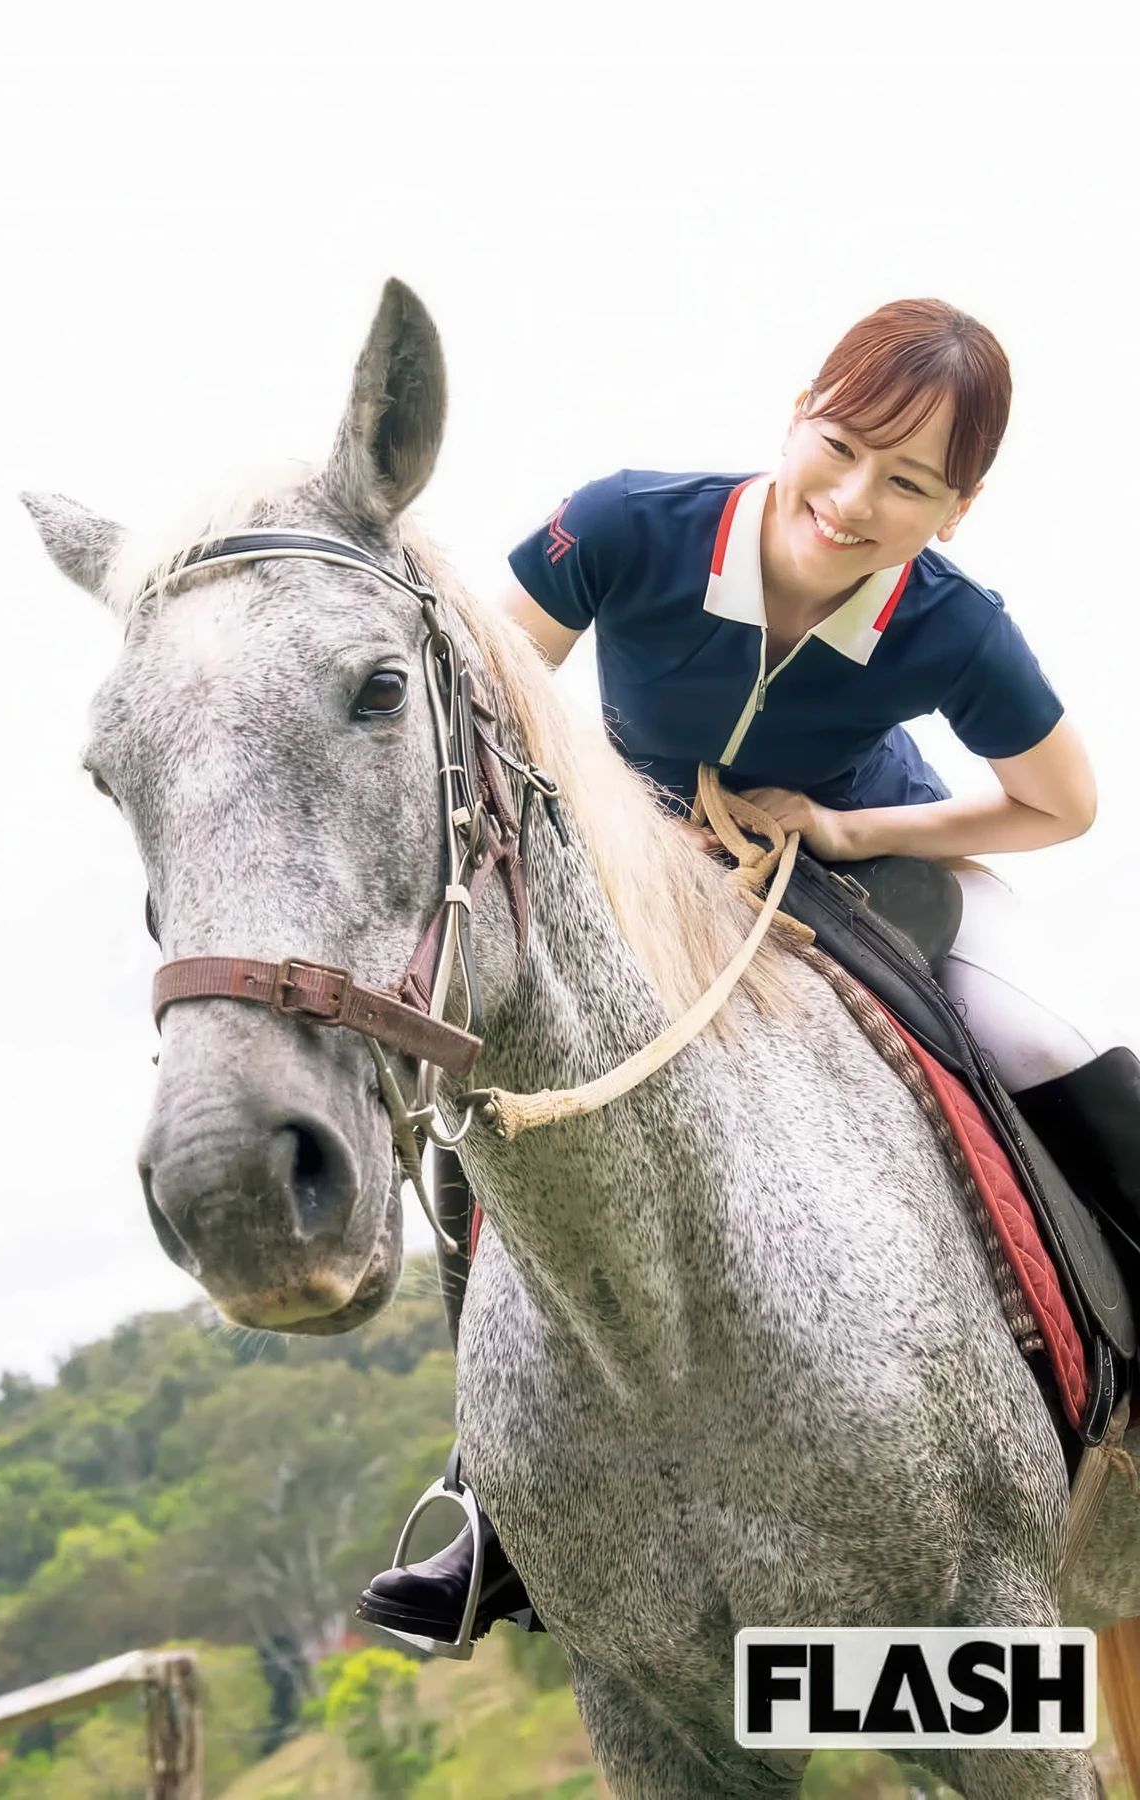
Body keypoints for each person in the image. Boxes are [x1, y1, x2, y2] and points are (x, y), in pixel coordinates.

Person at [356, 298, 1140, 1649]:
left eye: (909, 484)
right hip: (639, 885)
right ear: (794, 415)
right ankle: (493, 1494)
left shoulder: (952, 622)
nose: (851, 501)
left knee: (1048, 1041)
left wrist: (847, 827)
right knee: (499, 1101)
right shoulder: (623, 527)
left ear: (957, 508)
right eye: (838, 447)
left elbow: (1058, 802)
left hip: (862, 868)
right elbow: (486, 717)